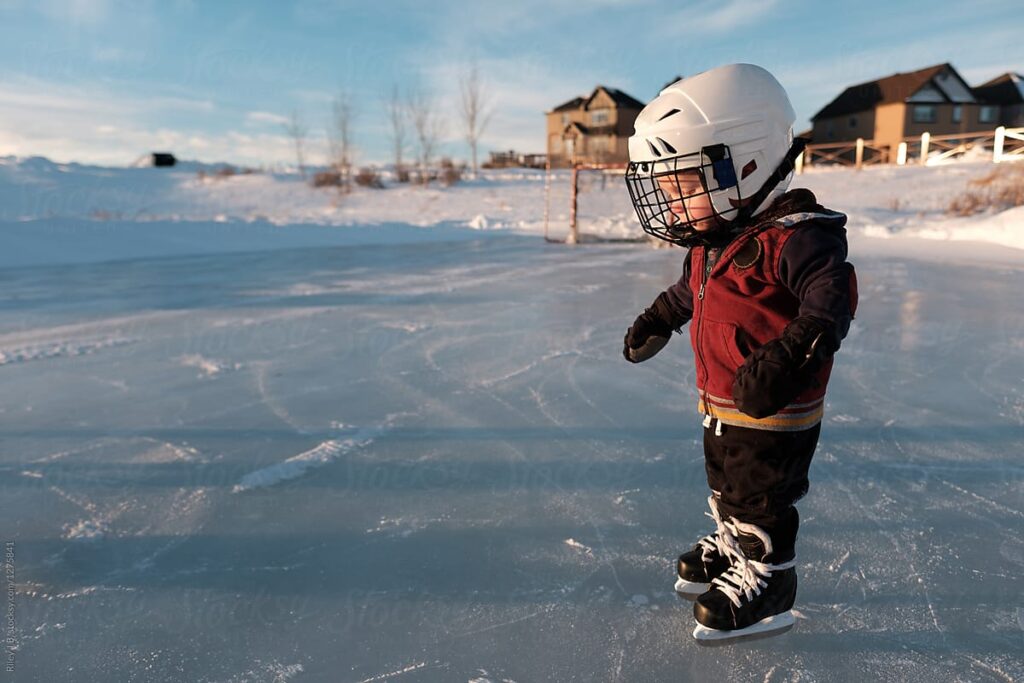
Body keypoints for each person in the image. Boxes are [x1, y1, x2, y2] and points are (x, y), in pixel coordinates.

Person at [621, 64, 859, 641]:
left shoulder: (799, 235)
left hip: (773, 405)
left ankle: (770, 579)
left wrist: (788, 356)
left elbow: (830, 301)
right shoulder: (717, 235)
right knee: (727, 483)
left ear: (745, 162)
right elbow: (690, 291)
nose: (672, 203)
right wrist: (660, 316)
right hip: (721, 399)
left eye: (682, 184)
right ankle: (736, 542)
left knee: (762, 493)